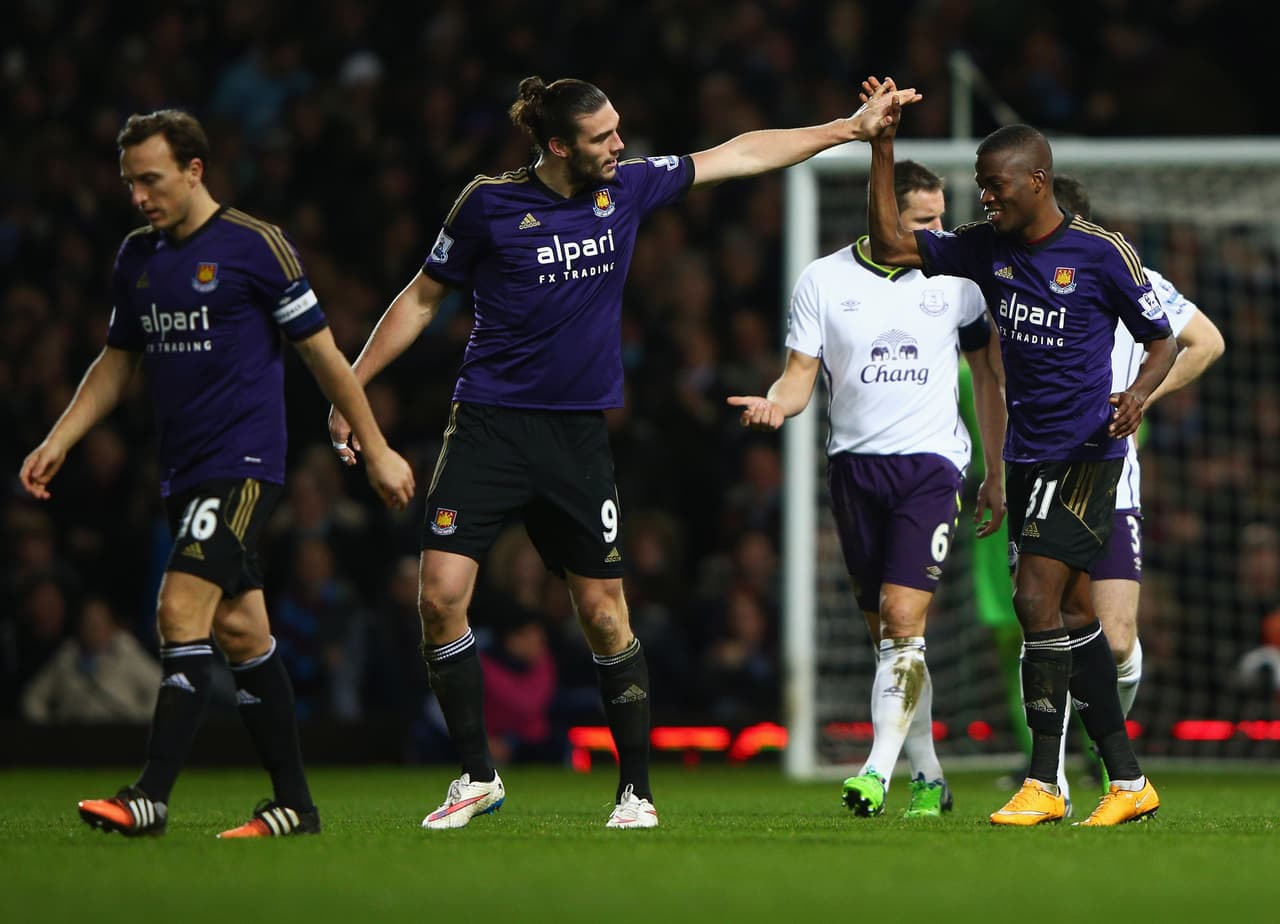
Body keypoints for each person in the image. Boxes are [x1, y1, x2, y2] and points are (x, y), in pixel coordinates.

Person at [327, 74, 922, 830]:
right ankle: (477, 776)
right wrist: (352, 390)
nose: (619, 144)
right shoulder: (487, 205)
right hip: (487, 426)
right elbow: (420, 297)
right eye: (603, 136)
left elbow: (739, 153)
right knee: (439, 597)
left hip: (576, 436)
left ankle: (635, 792)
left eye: (618, 129)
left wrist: (847, 126)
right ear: (555, 147)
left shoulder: (629, 188)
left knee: (605, 615)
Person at [19, 109, 415, 839]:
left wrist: (378, 445)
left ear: (194, 170)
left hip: (243, 465)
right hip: (182, 471)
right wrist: (61, 438)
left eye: (152, 179)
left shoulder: (254, 247)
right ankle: (294, 805)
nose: (139, 195)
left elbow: (323, 354)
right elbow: (117, 364)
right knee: (239, 631)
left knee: (178, 610)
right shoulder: (136, 258)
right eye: (129, 182)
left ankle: (150, 796)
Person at [862, 79, 1177, 826]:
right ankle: (1129, 781)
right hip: (1032, 455)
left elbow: (1163, 341)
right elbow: (889, 244)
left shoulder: (1102, 254)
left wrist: (1136, 395)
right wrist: (881, 146)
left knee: (1036, 600)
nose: (987, 199)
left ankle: (1044, 780)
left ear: (1037, 181)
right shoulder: (986, 247)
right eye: (981, 188)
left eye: (996, 187)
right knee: (1069, 611)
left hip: (1087, 454)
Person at [728, 159, 1007, 818]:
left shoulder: (959, 282)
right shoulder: (823, 280)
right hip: (854, 470)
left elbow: (988, 377)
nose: (938, 232)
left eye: (942, 218)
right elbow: (798, 375)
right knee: (889, 637)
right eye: (923, 221)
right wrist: (777, 404)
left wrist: (995, 469)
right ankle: (930, 776)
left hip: (932, 468)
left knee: (907, 622)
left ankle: (875, 772)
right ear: (885, 219)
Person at [1050, 175, 1224, 801]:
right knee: (1050, 631)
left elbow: (1207, 341)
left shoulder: (1135, 279)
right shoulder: (1008, 283)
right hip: (1038, 477)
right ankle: (1051, 778)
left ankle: (1107, 750)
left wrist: (1141, 396)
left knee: (1117, 642)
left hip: (1111, 484)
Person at [21, 596, 162, 724]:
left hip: (119, 736)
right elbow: (33, 698)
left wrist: (140, 721)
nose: (92, 629)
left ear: (111, 626)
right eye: (87, 623)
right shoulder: (66, 658)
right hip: (72, 739)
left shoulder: (128, 655)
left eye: (98, 623)